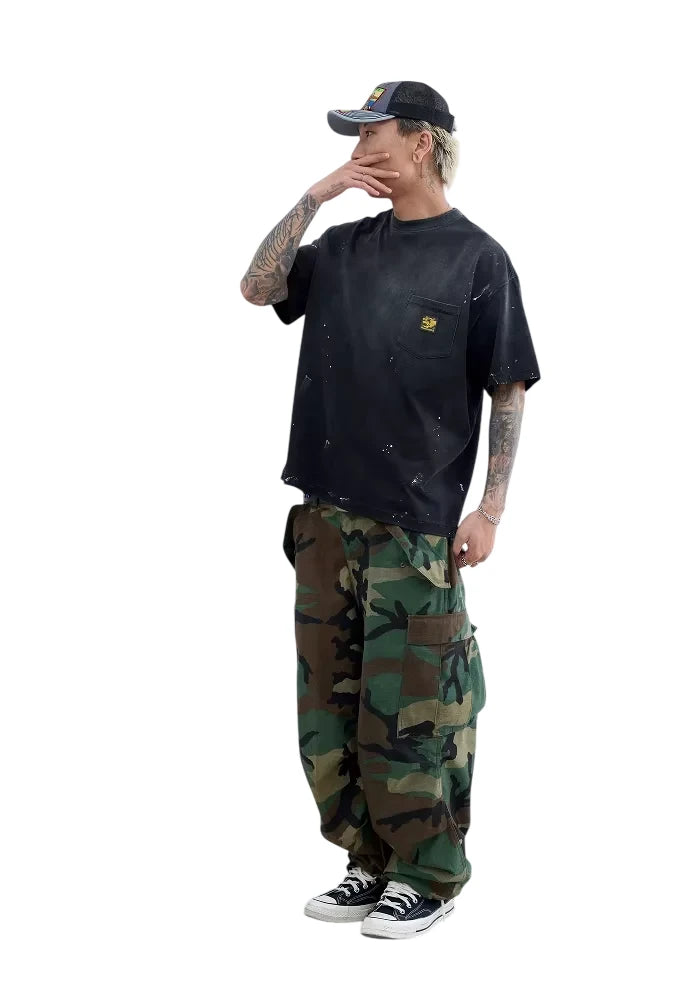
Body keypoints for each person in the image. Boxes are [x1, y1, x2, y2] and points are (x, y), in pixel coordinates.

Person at [240, 81, 541, 939]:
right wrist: (317, 194)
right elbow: (257, 288)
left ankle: (429, 874)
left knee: (415, 711)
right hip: (325, 521)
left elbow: (507, 385)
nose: (360, 145)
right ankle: (367, 860)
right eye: (355, 133)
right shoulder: (342, 246)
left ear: (423, 143)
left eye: (375, 131)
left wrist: (490, 509)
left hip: (414, 529)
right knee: (328, 710)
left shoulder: (477, 260)